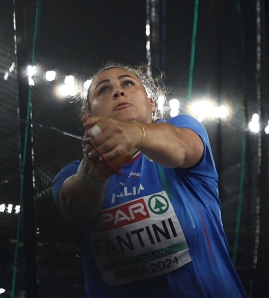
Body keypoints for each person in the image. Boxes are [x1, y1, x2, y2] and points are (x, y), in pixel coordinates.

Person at [52, 62, 246, 297]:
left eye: (128, 83)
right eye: (104, 89)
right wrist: (93, 173)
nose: (118, 91)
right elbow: (72, 207)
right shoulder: (72, 173)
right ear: (91, 115)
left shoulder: (183, 127)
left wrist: (134, 132)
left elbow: (181, 148)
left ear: (151, 103)